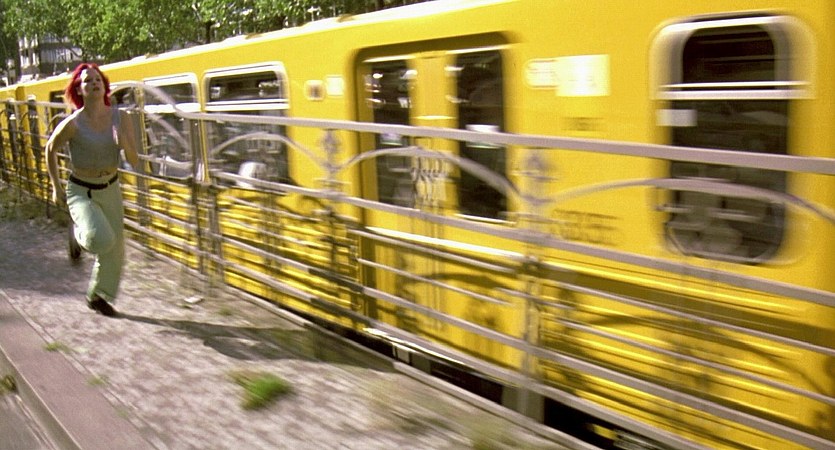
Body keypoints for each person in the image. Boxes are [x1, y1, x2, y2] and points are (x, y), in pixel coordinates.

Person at [45, 63, 139, 317]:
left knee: (115, 248)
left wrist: (123, 141)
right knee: (101, 239)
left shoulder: (121, 117)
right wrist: (55, 186)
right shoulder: (73, 123)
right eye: (87, 81)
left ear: (104, 86)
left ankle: (97, 296)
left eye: (98, 79)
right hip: (81, 190)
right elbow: (50, 149)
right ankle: (77, 236)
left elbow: (135, 160)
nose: (94, 83)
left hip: (110, 187)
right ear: (80, 89)